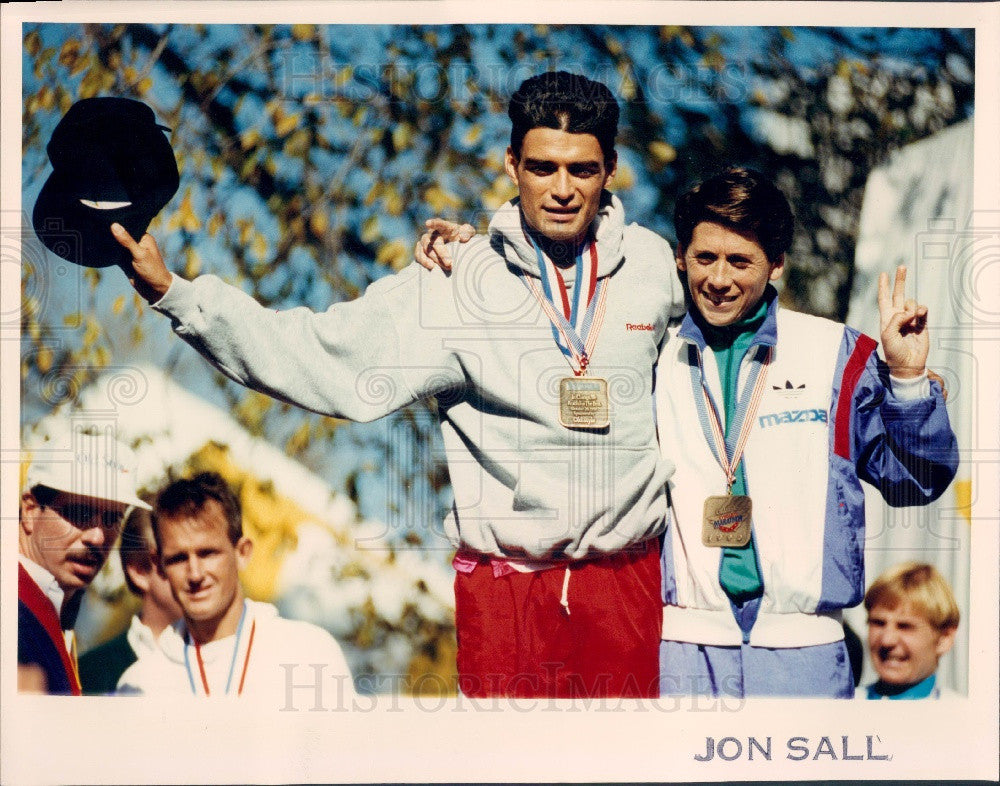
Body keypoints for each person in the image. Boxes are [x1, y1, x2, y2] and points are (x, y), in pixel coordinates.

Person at [110, 71, 686, 698]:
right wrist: (181, 297)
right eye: (543, 167)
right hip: (509, 593)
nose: (563, 190)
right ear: (511, 164)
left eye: (583, 169)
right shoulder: (455, 280)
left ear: (612, 170)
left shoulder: (654, 267)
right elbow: (322, 356)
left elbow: (725, 351)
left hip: (629, 581)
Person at [653, 168, 958, 698]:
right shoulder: (651, 355)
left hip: (804, 653)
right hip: (685, 649)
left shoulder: (837, 354)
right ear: (681, 257)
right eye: (705, 258)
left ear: (775, 264)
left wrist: (908, 382)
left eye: (740, 261)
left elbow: (915, 483)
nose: (719, 279)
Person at [116, 472, 355, 702]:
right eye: (178, 558)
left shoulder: (309, 653)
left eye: (208, 553)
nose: (195, 574)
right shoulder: (139, 685)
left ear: (242, 553)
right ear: (159, 566)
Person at [18, 430, 151, 695]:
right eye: (80, 512)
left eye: (113, 518)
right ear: (30, 510)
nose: (98, 536)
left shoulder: (57, 605)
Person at [78, 504, 182, 694]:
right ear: (140, 571)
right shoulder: (87, 674)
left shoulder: (224, 656)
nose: (195, 571)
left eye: (203, 554)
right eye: (177, 558)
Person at [860, 561, 960, 699]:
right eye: (878, 623)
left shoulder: (963, 714)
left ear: (944, 639)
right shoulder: (843, 705)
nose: (887, 640)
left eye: (905, 626)